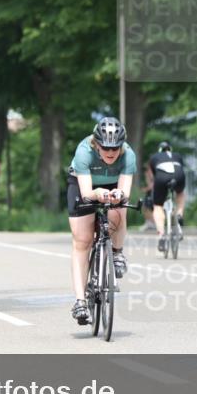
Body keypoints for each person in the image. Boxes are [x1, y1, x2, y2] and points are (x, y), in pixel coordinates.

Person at [68, 117, 137, 325]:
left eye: (115, 148)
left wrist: (118, 195)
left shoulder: (129, 155)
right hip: (84, 185)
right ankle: (80, 301)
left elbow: (125, 192)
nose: (110, 152)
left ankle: (116, 252)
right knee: (83, 240)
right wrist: (97, 193)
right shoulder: (83, 152)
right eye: (105, 147)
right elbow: (87, 192)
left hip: (112, 184)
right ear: (96, 144)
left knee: (119, 210)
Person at [145, 141, 186, 253]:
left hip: (161, 176)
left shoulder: (154, 157)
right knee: (180, 194)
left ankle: (162, 235)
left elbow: (154, 176)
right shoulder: (177, 155)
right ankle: (179, 214)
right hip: (179, 175)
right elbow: (181, 167)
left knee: (157, 206)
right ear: (170, 149)